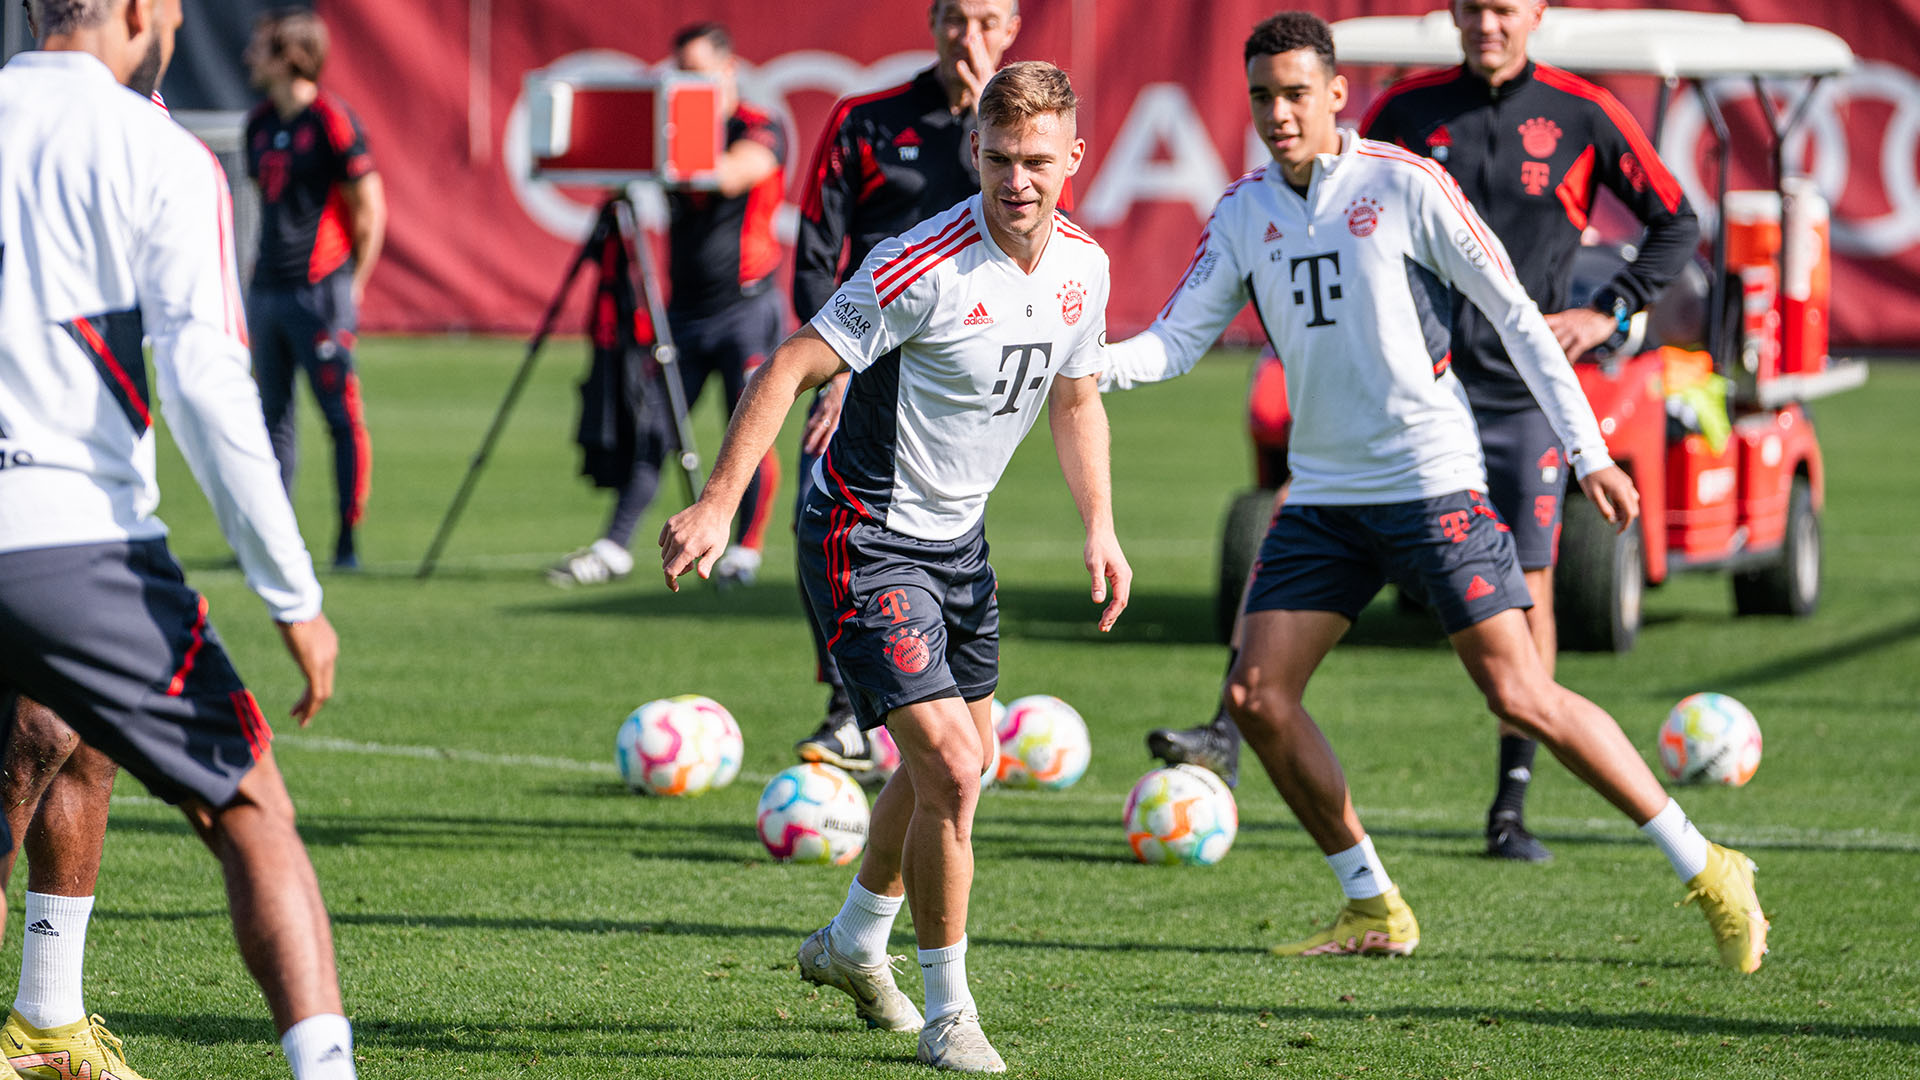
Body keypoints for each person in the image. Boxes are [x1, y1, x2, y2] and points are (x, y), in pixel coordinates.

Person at [1104, 12, 1766, 972]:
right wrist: (1077, 358)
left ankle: (1710, 866)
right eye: (1261, 97)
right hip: (1325, 494)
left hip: (1430, 481)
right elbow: (1172, 342)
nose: (1278, 114)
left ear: (1337, 95)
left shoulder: (1402, 183)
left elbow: (1518, 317)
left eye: (1296, 93)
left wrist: (1589, 453)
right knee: (1254, 696)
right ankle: (1373, 904)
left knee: (1520, 692)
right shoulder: (1246, 210)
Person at [664, 61, 1123, 1072]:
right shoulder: (920, 264)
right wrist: (718, 503)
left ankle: (852, 943)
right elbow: (788, 364)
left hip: (959, 546)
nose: (1018, 181)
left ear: (1074, 160)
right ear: (975, 153)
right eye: (999, 160)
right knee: (955, 768)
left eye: (1039, 161)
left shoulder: (1085, 268)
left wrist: (1101, 523)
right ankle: (952, 1012)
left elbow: (1078, 397)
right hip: (864, 536)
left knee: (952, 769)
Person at [0, 1, 361, 1077]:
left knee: (67, 734)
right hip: (78, 538)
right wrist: (293, 594)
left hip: (64, 536)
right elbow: (208, 386)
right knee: (251, 808)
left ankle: (48, 1020)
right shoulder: (154, 147)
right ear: (138, 10)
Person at [788, 0, 1022, 773]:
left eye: (988, 20)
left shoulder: (1015, 144)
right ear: (932, 22)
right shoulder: (867, 120)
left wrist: (992, 118)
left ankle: (940, 712)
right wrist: (837, 370)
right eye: (957, 18)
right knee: (821, 523)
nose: (970, 36)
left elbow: (1042, 242)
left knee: (952, 545)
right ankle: (849, 710)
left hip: (962, 385)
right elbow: (816, 258)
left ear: (1013, 28)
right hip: (861, 369)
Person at [548, 22, 786, 589]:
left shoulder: (755, 124)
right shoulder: (673, 127)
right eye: (679, 75)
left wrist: (663, 151)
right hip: (684, 313)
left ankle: (745, 551)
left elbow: (734, 173)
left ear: (728, 71)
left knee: (748, 431)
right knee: (652, 427)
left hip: (746, 309)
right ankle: (614, 546)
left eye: (698, 75)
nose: (687, 85)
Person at [244, 6, 386, 571]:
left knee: (338, 417)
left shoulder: (332, 120)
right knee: (270, 418)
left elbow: (370, 211)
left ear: (290, 56)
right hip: (267, 290)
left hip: (318, 292)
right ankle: (275, 543)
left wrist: (351, 287)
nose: (249, 57)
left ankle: (346, 543)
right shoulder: (257, 124)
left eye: (261, 48)